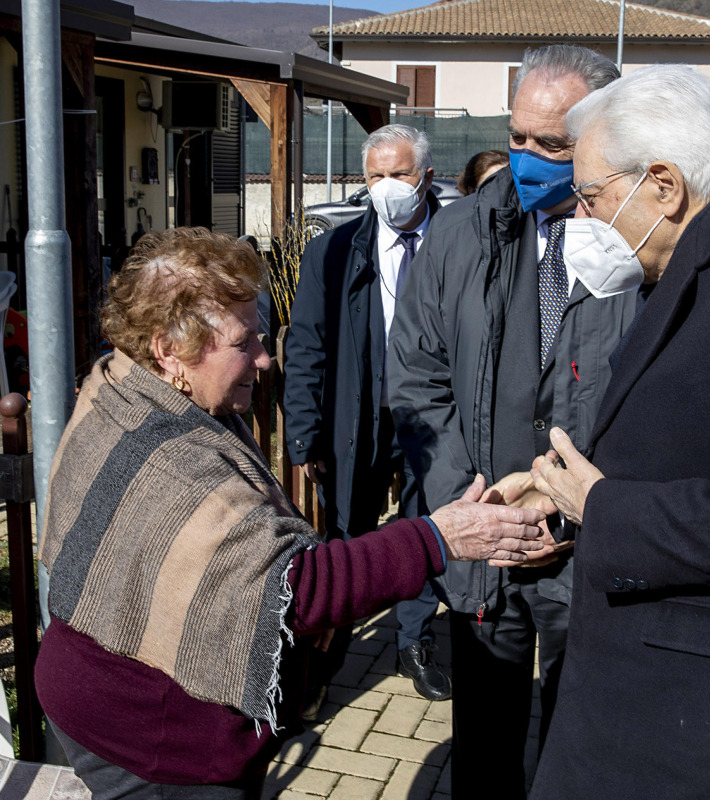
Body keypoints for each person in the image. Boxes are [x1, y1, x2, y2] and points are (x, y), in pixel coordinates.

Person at [33, 227, 548, 799]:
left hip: (103, 701)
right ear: (169, 348)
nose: (264, 356)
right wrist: (440, 536)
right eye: (244, 341)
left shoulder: (119, 387)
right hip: (154, 743)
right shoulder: (173, 456)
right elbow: (291, 589)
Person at [526, 64, 710, 799]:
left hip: (705, 722)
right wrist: (560, 495)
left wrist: (605, 508)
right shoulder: (705, 261)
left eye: (589, 196)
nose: (579, 220)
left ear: (664, 185)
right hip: (653, 696)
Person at [389, 45, 634, 800]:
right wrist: (474, 509)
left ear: (605, 140)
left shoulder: (641, 245)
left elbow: (660, 402)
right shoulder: (461, 235)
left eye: (551, 145)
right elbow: (416, 378)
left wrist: (583, 512)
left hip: (591, 549)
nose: (527, 158)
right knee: (487, 745)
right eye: (518, 136)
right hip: (483, 540)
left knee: (583, 745)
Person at [283, 124, 449, 709]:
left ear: (426, 177)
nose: (386, 187)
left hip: (434, 422)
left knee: (425, 528)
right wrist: (305, 435)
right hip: (358, 420)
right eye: (374, 175)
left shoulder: (458, 241)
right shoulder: (334, 249)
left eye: (398, 174)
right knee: (347, 536)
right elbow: (306, 344)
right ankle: (329, 654)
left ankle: (414, 641)